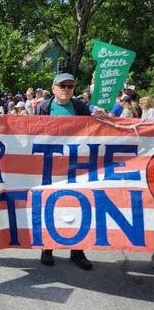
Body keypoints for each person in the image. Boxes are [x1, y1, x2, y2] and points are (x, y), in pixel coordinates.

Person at [36, 72, 94, 270]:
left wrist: (101, 115)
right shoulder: (43, 107)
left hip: (77, 165)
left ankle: (77, 251)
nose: (66, 89)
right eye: (62, 86)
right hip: (51, 164)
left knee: (78, 204)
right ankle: (47, 247)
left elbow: (94, 131)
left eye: (70, 86)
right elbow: (34, 134)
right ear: (53, 88)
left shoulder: (80, 107)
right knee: (51, 204)